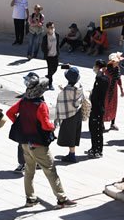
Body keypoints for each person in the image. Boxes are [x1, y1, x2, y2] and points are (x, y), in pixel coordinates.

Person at [6, 73, 77, 208]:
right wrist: (53, 126)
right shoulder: (41, 105)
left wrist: (21, 123)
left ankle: (30, 199)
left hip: (25, 143)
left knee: (29, 171)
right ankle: (62, 199)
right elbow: (45, 125)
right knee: (50, 170)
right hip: (38, 144)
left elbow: (9, 113)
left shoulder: (23, 101)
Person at [54, 67, 86, 163]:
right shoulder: (79, 86)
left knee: (70, 135)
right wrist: (64, 89)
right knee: (74, 134)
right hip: (77, 113)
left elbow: (61, 99)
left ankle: (72, 156)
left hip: (69, 115)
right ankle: (71, 154)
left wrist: (63, 90)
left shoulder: (67, 90)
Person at [87, 60, 108, 157]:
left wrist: (100, 72)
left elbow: (101, 79)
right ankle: (93, 147)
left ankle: (98, 150)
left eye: (96, 67)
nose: (94, 68)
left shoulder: (103, 79)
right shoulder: (98, 79)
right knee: (92, 128)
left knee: (97, 130)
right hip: (94, 107)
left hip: (98, 109)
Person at [104, 55, 124, 131]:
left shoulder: (117, 69)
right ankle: (102, 124)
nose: (118, 63)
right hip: (106, 89)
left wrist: (121, 89)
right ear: (112, 62)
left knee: (114, 105)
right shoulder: (106, 70)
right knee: (105, 105)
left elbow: (119, 79)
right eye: (116, 61)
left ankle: (112, 123)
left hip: (114, 90)